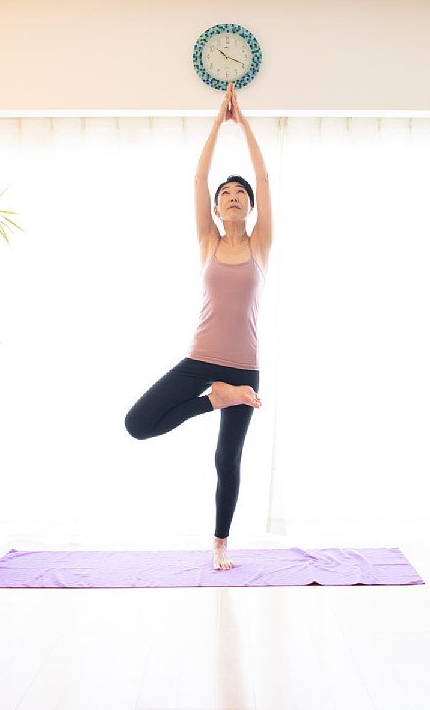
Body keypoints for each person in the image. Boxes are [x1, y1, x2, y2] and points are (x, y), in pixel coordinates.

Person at [124, 83, 272, 571]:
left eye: (240, 194)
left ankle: (220, 543)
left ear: (249, 206)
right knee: (138, 424)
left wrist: (244, 123)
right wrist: (218, 122)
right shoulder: (207, 240)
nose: (232, 197)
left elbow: (266, 179)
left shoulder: (260, 245)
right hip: (201, 360)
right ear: (215, 207)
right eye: (225, 194)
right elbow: (197, 178)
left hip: (244, 367)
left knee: (227, 459)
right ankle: (216, 397)